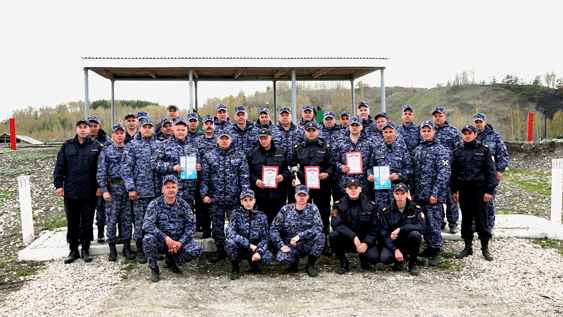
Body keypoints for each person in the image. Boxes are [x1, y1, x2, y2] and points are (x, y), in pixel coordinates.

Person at [54, 119, 103, 264]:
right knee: (72, 222)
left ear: (90, 130)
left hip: (89, 192)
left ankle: (86, 249)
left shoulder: (96, 147)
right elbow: (59, 168)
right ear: (76, 129)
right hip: (71, 191)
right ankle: (73, 250)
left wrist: (100, 186)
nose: (83, 130)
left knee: (87, 221)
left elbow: (101, 170)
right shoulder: (66, 146)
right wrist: (59, 185)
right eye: (80, 127)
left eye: (85, 127)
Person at [200, 129, 250, 263]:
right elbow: (205, 177)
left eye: (226, 138)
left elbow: (244, 177)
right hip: (215, 198)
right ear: (217, 140)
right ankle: (220, 250)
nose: (224, 141)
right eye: (221, 138)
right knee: (217, 225)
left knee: (235, 225)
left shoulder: (239, 155)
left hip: (234, 198)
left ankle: (235, 250)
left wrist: (244, 195)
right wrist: (204, 194)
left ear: (230, 140)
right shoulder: (209, 156)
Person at [142, 175, 203, 282]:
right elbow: (147, 224)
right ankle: (154, 268)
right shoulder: (155, 204)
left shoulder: (183, 205)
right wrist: (165, 238)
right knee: (148, 239)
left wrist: (180, 242)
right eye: (168, 187)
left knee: (197, 250)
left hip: (177, 242)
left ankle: (173, 261)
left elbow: (191, 225)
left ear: (177, 189)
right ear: (163, 189)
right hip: (162, 241)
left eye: (173, 187)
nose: (171, 190)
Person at [451, 125, 496, 261]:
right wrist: (453, 191)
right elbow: (454, 174)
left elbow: (491, 173)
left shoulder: (484, 150)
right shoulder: (458, 151)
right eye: (464, 133)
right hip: (464, 191)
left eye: (470, 133)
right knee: (466, 219)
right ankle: (468, 247)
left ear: (475, 134)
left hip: (480, 191)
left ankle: (485, 248)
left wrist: (489, 191)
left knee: (481, 219)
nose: (467, 136)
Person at [121, 118, 163, 264]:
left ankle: (153, 248)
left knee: (155, 222)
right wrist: (131, 188)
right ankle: (140, 250)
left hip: (157, 192)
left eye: (149, 127)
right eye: (144, 127)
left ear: (153, 129)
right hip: (140, 192)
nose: (147, 129)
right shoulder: (132, 146)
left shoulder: (159, 145)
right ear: (140, 128)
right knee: (140, 222)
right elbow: (126, 169)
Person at [291, 121, 335, 256]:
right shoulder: (298, 148)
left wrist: (326, 174)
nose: (311, 132)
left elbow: (332, 165)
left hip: (322, 187)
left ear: (317, 132)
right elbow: (293, 166)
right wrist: (295, 178)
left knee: (323, 213)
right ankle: (303, 242)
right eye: (308, 130)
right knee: (303, 215)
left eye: (313, 130)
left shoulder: (325, 148)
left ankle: (324, 242)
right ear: (305, 132)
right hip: (304, 188)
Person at [412, 121, 451, 267]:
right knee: (424, 224)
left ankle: (436, 251)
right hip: (420, 196)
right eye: (424, 131)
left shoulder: (441, 150)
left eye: (429, 130)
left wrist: (436, 193)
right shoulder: (418, 149)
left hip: (433, 197)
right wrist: (414, 192)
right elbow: (415, 174)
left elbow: (444, 174)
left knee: (434, 225)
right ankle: (429, 247)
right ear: (420, 133)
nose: (426, 133)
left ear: (434, 132)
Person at [96, 124, 135, 261]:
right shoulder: (106, 151)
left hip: (127, 190)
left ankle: (127, 247)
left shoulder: (130, 150)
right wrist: (105, 190)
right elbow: (101, 172)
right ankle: (112, 249)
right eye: (116, 133)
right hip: (112, 190)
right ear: (112, 135)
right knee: (111, 220)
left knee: (126, 220)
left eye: (121, 133)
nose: (119, 135)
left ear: (125, 135)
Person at [270, 185, 325, 277]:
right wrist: (281, 245)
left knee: (321, 236)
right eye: (299, 195)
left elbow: (319, 227)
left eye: (304, 195)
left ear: (308, 197)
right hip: (291, 245)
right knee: (282, 258)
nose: (302, 198)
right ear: (295, 196)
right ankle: (293, 262)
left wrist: (300, 236)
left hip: (307, 243)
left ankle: (310, 264)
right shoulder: (285, 210)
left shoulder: (313, 209)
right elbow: (273, 228)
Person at [330, 179, 381, 274]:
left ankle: (364, 260)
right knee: (333, 235)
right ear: (346, 190)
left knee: (374, 258)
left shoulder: (370, 204)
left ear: (360, 189)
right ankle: (343, 262)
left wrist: (366, 242)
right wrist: (353, 237)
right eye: (350, 188)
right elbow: (336, 224)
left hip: (364, 240)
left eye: (355, 188)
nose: (353, 190)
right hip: (347, 240)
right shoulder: (339, 205)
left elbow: (376, 227)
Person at [151, 118, 200, 211]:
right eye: (178, 130)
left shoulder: (192, 147)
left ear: (187, 131)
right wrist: (172, 167)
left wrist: (198, 167)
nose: (180, 132)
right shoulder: (164, 145)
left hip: (189, 192)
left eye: (183, 130)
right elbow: (154, 163)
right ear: (173, 130)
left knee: (187, 219)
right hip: (171, 192)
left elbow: (198, 164)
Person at [226, 189, 273, 280]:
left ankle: (254, 264)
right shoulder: (235, 214)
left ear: (254, 200)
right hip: (240, 247)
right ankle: (235, 267)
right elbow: (230, 232)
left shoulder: (262, 216)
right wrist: (247, 244)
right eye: (245, 200)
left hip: (255, 248)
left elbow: (266, 238)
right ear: (241, 202)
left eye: (250, 200)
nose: (248, 203)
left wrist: (259, 251)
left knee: (268, 257)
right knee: (230, 243)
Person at [473, 113, 509, 231]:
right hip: (474, 176)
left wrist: (500, 170)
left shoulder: (495, 136)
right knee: (475, 200)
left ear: (485, 122)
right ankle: (475, 224)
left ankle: (488, 226)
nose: (478, 124)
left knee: (489, 200)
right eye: (476, 122)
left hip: (490, 175)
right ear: (474, 123)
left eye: (480, 122)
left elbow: (503, 155)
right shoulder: (471, 136)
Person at [380, 183, 426, 276]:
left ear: (407, 194)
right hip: (395, 243)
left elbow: (422, 227)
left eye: (402, 193)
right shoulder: (386, 211)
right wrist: (395, 249)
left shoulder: (416, 209)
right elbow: (384, 233)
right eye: (397, 194)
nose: (400, 196)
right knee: (385, 258)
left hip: (408, 242)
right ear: (393, 194)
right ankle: (399, 260)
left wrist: (401, 229)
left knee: (415, 234)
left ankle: (412, 263)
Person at [247, 128, 291, 224]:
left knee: (278, 222)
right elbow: (249, 173)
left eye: (265, 138)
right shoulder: (252, 155)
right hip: (261, 196)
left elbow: (289, 169)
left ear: (270, 138)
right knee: (263, 223)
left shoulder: (282, 153)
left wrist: (283, 176)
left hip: (278, 195)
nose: (263, 141)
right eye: (261, 138)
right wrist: (256, 180)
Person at [432, 106, 461, 234]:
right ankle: (440, 222)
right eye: (435, 116)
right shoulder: (429, 130)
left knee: (451, 199)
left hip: (449, 171)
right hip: (434, 172)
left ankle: (453, 223)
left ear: (444, 117)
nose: (437, 118)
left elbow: (459, 151)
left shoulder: (453, 131)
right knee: (437, 198)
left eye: (440, 116)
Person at [332, 117, 376, 201]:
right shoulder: (340, 142)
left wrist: (371, 174)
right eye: (352, 125)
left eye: (357, 125)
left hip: (364, 184)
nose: (354, 127)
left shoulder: (369, 143)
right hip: (345, 184)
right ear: (349, 126)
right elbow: (334, 161)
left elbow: (373, 162)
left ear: (361, 127)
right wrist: (340, 167)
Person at [372, 122, 413, 210]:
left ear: (395, 133)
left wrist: (399, 175)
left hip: (397, 190)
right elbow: (370, 166)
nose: (388, 135)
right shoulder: (377, 148)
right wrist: (370, 175)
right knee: (381, 216)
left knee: (397, 217)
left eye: (390, 132)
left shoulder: (402, 148)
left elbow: (409, 168)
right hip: (381, 192)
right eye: (386, 132)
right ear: (382, 133)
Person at [193, 115, 218, 238]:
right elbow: (193, 156)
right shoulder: (197, 141)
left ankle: (217, 228)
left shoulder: (220, 139)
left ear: (214, 126)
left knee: (216, 204)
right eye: (206, 124)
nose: (209, 125)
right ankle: (206, 228)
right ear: (202, 127)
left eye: (211, 123)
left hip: (217, 177)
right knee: (203, 204)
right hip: (202, 178)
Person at [87, 115, 110, 244]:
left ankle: (101, 232)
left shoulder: (106, 141)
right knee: (86, 209)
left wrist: (103, 183)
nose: (93, 128)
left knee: (101, 208)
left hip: (101, 179)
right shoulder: (83, 140)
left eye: (96, 126)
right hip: (88, 180)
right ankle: (85, 233)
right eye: (91, 126)